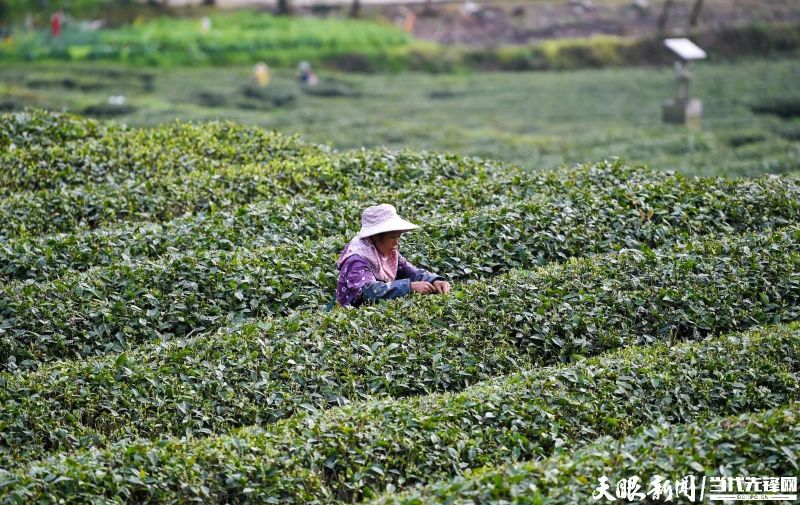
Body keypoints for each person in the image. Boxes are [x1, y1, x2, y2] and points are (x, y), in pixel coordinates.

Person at [335, 204, 451, 308]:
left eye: (398, 237)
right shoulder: (357, 259)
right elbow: (368, 291)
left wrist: (434, 280)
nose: (396, 242)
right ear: (375, 236)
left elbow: (410, 271)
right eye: (392, 237)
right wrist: (409, 287)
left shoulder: (387, 251)